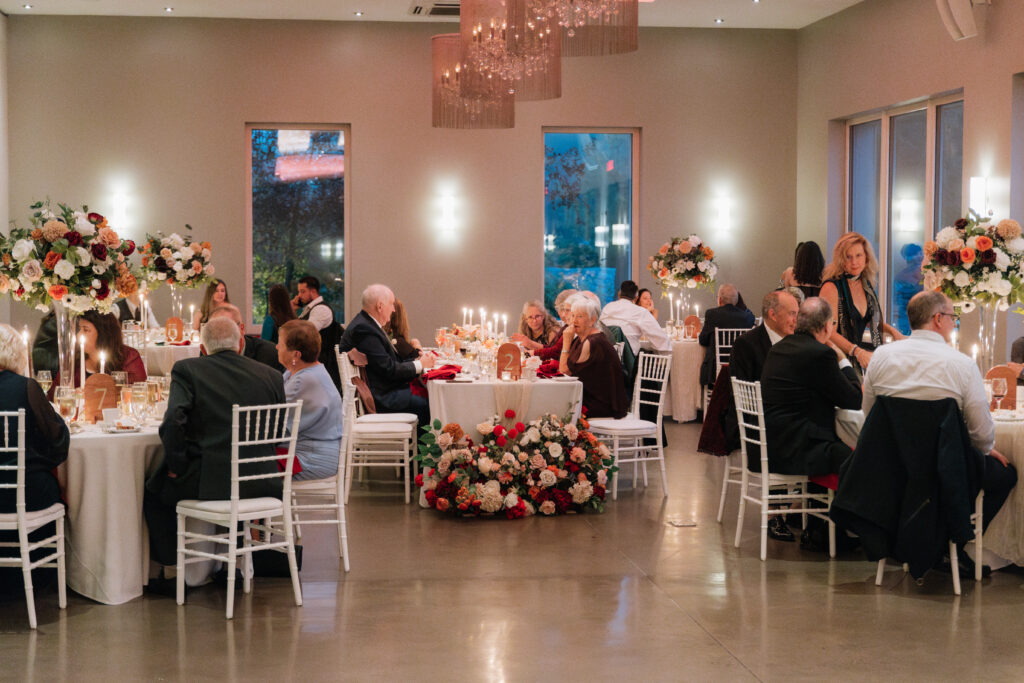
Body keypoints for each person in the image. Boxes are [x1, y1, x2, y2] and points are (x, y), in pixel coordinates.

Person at [862, 291, 1016, 531]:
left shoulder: (880, 357)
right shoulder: (962, 364)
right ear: (937, 319)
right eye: (952, 317)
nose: (953, 323)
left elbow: (869, 413)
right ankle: (956, 535)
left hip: (890, 465)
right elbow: (981, 433)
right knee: (1006, 475)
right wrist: (985, 450)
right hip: (944, 468)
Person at [143, 317, 287, 567]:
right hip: (263, 481)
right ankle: (232, 553)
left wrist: (177, 466)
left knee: (154, 490)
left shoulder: (188, 370)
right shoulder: (272, 376)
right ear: (240, 344)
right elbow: (277, 431)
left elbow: (172, 422)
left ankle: (173, 567)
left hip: (213, 482)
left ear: (202, 347)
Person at [0, 324, 69, 597]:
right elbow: (58, 441)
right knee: (51, 486)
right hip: (24, 494)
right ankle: (40, 576)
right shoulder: (26, 387)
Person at [725, 290, 800, 541]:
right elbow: (742, 395)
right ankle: (774, 513)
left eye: (797, 314)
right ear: (772, 314)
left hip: (788, 416)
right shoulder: (747, 344)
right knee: (783, 432)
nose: (796, 320)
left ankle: (804, 506)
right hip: (753, 422)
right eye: (791, 314)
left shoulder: (798, 342)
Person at [761, 297, 862, 477]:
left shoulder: (777, 349)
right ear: (827, 327)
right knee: (863, 461)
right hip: (801, 450)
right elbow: (854, 400)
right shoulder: (820, 354)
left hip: (772, 446)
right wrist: (843, 360)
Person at [339, 284, 436, 425]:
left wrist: (417, 360)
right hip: (381, 397)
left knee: (428, 396)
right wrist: (420, 364)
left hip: (383, 389)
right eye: (391, 304)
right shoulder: (364, 329)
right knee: (427, 403)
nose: (394, 309)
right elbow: (389, 369)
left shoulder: (368, 324)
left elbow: (390, 362)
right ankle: (424, 440)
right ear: (380, 306)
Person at [819, 233, 903, 373]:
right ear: (841, 259)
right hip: (833, 360)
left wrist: (894, 332)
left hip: (853, 358)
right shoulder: (831, 287)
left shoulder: (865, 285)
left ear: (866, 257)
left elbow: (870, 320)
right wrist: (857, 351)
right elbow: (829, 332)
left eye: (858, 255)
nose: (854, 262)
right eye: (848, 257)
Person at [277, 320, 344, 481]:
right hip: (307, 450)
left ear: (296, 354)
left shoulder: (304, 380)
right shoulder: (303, 371)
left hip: (312, 458)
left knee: (245, 467)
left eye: (280, 344)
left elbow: (277, 423)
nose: (276, 347)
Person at [559, 296, 627, 419]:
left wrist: (566, 342)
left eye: (580, 316)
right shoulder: (582, 339)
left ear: (592, 320)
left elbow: (564, 371)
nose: (574, 321)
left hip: (599, 404)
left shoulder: (592, 342)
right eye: (573, 315)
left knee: (556, 405)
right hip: (588, 397)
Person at [54, 309, 147, 391]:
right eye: (78, 329)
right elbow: (55, 394)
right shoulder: (73, 360)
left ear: (103, 333)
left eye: (85, 330)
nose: (78, 335)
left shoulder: (129, 357)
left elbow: (137, 392)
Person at [291, 275, 343, 388]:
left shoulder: (321, 309)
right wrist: (292, 311)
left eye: (303, 291)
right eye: (299, 292)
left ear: (313, 291)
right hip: (313, 364)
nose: (299, 296)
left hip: (323, 366)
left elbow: (305, 334)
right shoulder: (309, 309)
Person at [698, 284, 755, 386]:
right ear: (736, 300)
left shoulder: (712, 314)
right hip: (741, 368)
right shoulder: (748, 317)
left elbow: (703, 340)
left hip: (715, 370)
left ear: (720, 299)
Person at [600, 280, 670, 355]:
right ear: (636, 298)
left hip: (603, 354)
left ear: (619, 294)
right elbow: (660, 338)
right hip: (627, 358)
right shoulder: (640, 312)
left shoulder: (607, 307)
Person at [209, 303, 284, 372]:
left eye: (227, 329)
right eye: (215, 330)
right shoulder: (208, 353)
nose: (221, 335)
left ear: (242, 329)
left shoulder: (270, 355)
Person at [533, 289, 578, 359]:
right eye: (561, 309)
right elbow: (551, 347)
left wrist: (532, 352)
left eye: (567, 310)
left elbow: (556, 352)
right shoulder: (566, 326)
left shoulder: (570, 329)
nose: (563, 314)